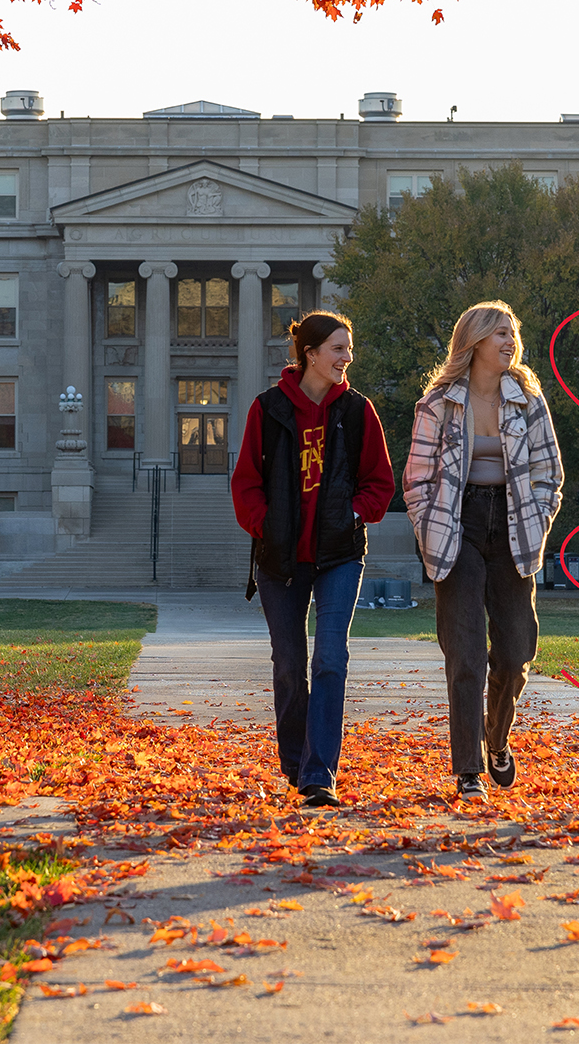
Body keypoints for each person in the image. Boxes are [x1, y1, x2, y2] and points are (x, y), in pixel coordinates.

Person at [231, 310, 395, 809]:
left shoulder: (358, 411)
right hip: (280, 560)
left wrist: (351, 513)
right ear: (310, 354)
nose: (347, 359)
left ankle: (320, 773)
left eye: (349, 349)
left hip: (340, 555)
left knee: (329, 659)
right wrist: (267, 525)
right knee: (289, 664)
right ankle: (296, 763)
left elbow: (380, 484)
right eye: (338, 349)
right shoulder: (268, 409)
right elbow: (245, 485)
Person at [402, 302, 564, 802]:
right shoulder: (439, 404)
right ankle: (468, 768)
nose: (509, 340)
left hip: (514, 527)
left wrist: (537, 517)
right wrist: (430, 526)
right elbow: (416, 479)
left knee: (516, 652)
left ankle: (496, 739)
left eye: (512, 332)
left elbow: (549, 472)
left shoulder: (527, 401)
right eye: (499, 332)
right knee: (466, 651)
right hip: (459, 526)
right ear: (473, 342)